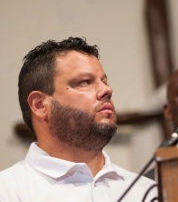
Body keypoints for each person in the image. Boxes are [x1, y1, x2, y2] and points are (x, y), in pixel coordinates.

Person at [0, 37, 157, 202]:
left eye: (104, 82)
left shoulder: (150, 193)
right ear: (40, 105)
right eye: (85, 82)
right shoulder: (7, 191)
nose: (107, 90)